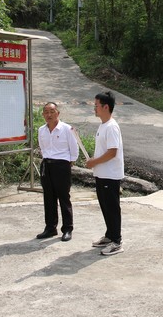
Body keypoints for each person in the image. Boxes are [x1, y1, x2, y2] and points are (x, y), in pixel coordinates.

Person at [85, 91, 124, 256]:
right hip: (101, 173)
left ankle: (117, 241)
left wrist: (94, 161)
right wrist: (95, 162)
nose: (94, 108)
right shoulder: (103, 125)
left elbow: (112, 152)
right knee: (105, 206)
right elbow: (105, 151)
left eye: (96, 105)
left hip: (110, 174)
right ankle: (109, 236)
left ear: (105, 107)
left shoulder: (112, 126)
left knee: (112, 208)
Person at [36, 102, 79, 241]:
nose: (49, 115)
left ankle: (67, 229)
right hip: (47, 165)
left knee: (64, 197)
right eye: (46, 112)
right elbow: (42, 148)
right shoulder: (41, 130)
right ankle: (50, 228)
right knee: (48, 198)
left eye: (52, 111)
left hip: (62, 166)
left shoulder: (67, 129)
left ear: (58, 113)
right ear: (43, 114)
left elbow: (74, 149)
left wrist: (68, 164)